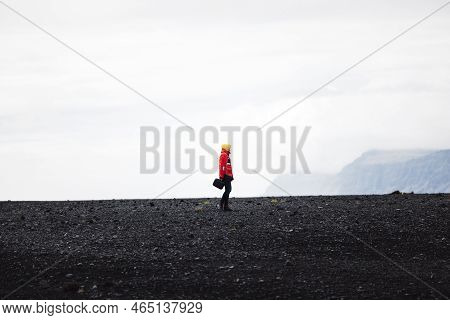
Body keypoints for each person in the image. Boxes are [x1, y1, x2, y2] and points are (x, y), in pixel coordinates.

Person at [219, 143, 233, 211]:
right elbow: (222, 166)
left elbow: (226, 166)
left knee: (228, 190)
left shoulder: (225, 155)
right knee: (228, 190)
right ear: (226, 148)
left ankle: (223, 205)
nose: (229, 149)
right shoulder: (224, 155)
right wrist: (222, 176)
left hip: (227, 176)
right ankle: (224, 205)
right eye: (228, 147)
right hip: (226, 176)